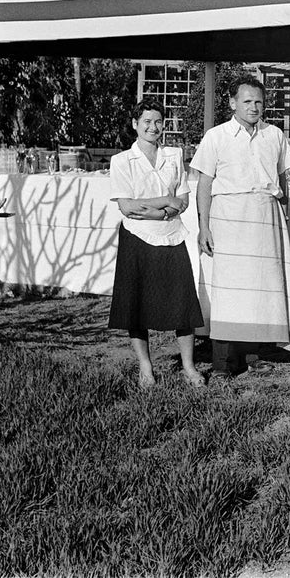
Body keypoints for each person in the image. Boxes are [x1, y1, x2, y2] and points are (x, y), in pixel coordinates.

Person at [190, 76, 290, 379]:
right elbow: (205, 184)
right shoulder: (216, 136)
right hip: (228, 218)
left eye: (259, 102)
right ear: (232, 102)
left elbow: (281, 180)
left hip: (265, 216)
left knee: (259, 291)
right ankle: (224, 364)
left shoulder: (274, 135)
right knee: (230, 292)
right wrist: (204, 226)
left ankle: (253, 356)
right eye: (247, 101)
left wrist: (284, 215)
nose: (254, 107)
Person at [108, 98, 204, 389]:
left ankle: (188, 366)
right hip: (137, 237)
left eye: (158, 121)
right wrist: (164, 201)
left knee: (182, 303)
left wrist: (160, 212)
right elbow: (126, 207)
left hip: (172, 235)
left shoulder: (174, 155)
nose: (153, 127)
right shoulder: (122, 161)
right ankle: (146, 368)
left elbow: (184, 200)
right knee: (136, 306)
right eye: (146, 121)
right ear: (135, 125)